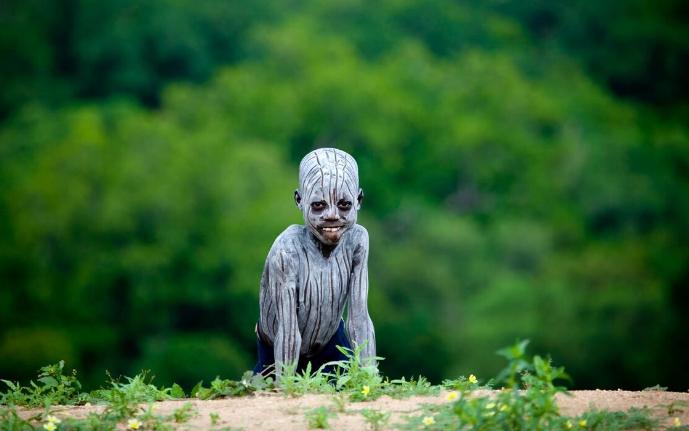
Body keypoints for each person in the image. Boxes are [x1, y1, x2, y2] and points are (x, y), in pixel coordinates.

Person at [253, 148, 376, 377]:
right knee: (269, 402)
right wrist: (287, 385)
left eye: (344, 205)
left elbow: (359, 315)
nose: (331, 215)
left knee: (352, 399)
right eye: (318, 205)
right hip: (278, 347)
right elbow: (287, 329)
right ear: (299, 200)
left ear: (358, 200)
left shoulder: (357, 239)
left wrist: (369, 378)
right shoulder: (288, 249)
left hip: (330, 341)